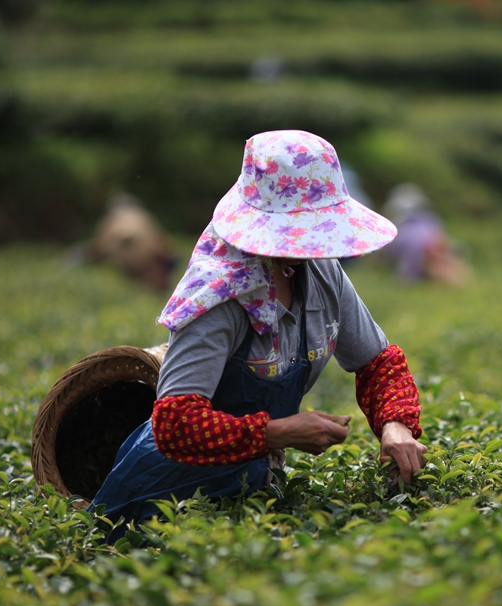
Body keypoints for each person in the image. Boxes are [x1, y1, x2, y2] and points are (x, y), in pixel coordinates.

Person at [91, 130, 428, 534]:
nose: (311, 242)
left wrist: (395, 426)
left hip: (252, 486)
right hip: (163, 496)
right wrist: (281, 432)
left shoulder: (320, 271)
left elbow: (378, 363)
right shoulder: (219, 294)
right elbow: (175, 425)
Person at [380, 183, 470, 285]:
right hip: (409, 255)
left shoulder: (431, 223)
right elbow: (405, 276)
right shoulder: (411, 240)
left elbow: (452, 249)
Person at [90, 194, 177, 291]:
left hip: (125, 265)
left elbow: (97, 249)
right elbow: (161, 245)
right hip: (137, 263)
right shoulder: (140, 217)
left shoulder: (113, 221)